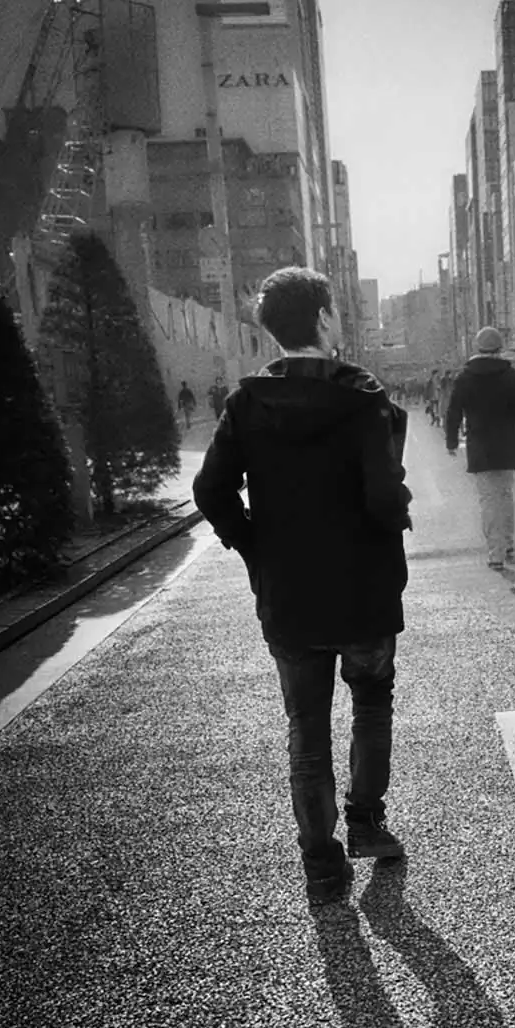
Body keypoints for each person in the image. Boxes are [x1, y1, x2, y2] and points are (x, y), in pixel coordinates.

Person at [192, 266, 412, 905]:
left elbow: (210, 490)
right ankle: (366, 824)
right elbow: (382, 494)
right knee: (371, 703)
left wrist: (255, 548)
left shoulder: (247, 404)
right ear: (321, 318)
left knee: (306, 727)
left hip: (289, 593)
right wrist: (396, 512)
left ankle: (320, 864)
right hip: (364, 586)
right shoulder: (362, 397)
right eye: (334, 310)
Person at [445, 326, 515, 569]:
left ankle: (495, 552)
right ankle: (508, 543)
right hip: (507, 443)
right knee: (505, 494)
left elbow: (453, 411)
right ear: (499, 348)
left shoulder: (465, 377)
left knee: (488, 498)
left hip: (479, 445)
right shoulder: (513, 377)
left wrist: (451, 441)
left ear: (478, 347)